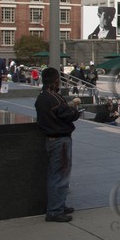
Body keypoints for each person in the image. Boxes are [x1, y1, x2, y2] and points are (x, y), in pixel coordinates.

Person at [35, 69, 80, 223]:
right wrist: (75, 110)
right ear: (55, 80)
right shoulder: (54, 98)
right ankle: (55, 210)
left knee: (56, 173)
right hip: (60, 140)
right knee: (60, 175)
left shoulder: (42, 97)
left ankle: (59, 204)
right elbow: (68, 115)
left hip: (50, 139)